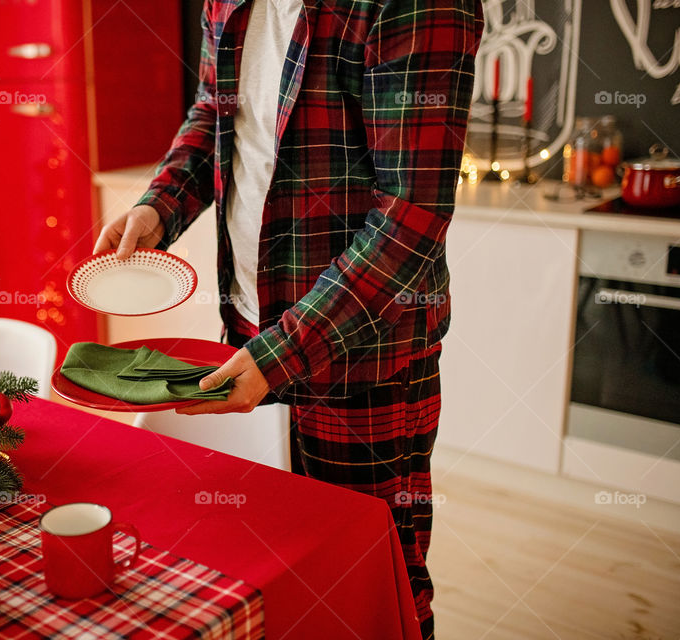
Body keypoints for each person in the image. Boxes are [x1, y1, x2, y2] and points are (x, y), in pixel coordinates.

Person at [94, 1, 483, 637]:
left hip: (361, 360)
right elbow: (212, 115)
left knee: (371, 588)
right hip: (248, 330)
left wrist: (282, 355)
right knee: (268, 573)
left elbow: (411, 216)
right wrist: (159, 206)